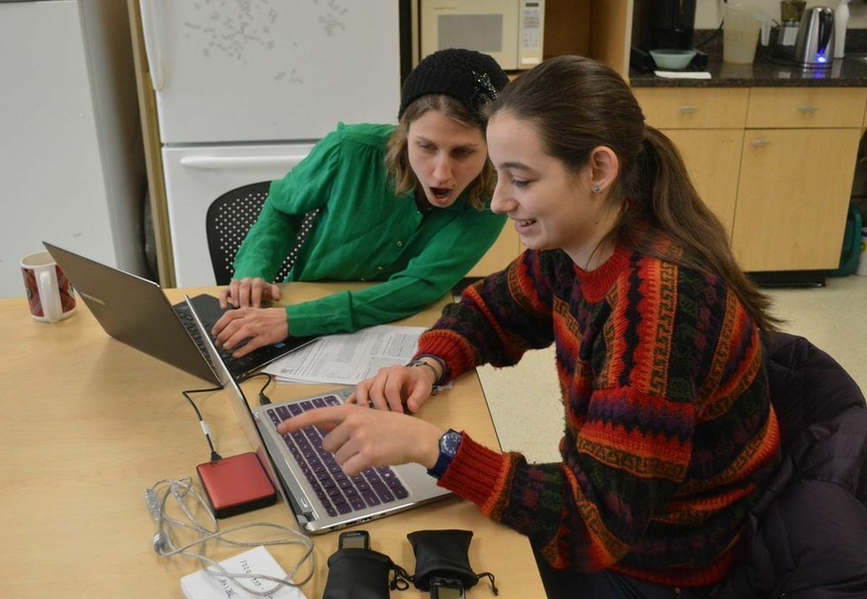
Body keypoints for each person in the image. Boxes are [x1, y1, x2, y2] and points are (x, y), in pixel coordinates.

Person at [276, 55, 784, 598]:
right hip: (609, 510)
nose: (498, 201)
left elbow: (596, 530)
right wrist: (428, 364)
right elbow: (491, 310)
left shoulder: (658, 303)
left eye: (520, 179)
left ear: (598, 171)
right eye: (500, 176)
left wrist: (436, 449)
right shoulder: (577, 242)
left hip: (662, 561)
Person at [212, 48, 509, 358]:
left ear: (491, 146)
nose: (441, 173)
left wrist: (299, 319)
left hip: (396, 325)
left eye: (462, 153)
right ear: (404, 133)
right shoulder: (348, 150)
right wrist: (253, 270)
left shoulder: (493, 197)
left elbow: (419, 285)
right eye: (425, 146)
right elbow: (282, 207)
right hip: (293, 315)